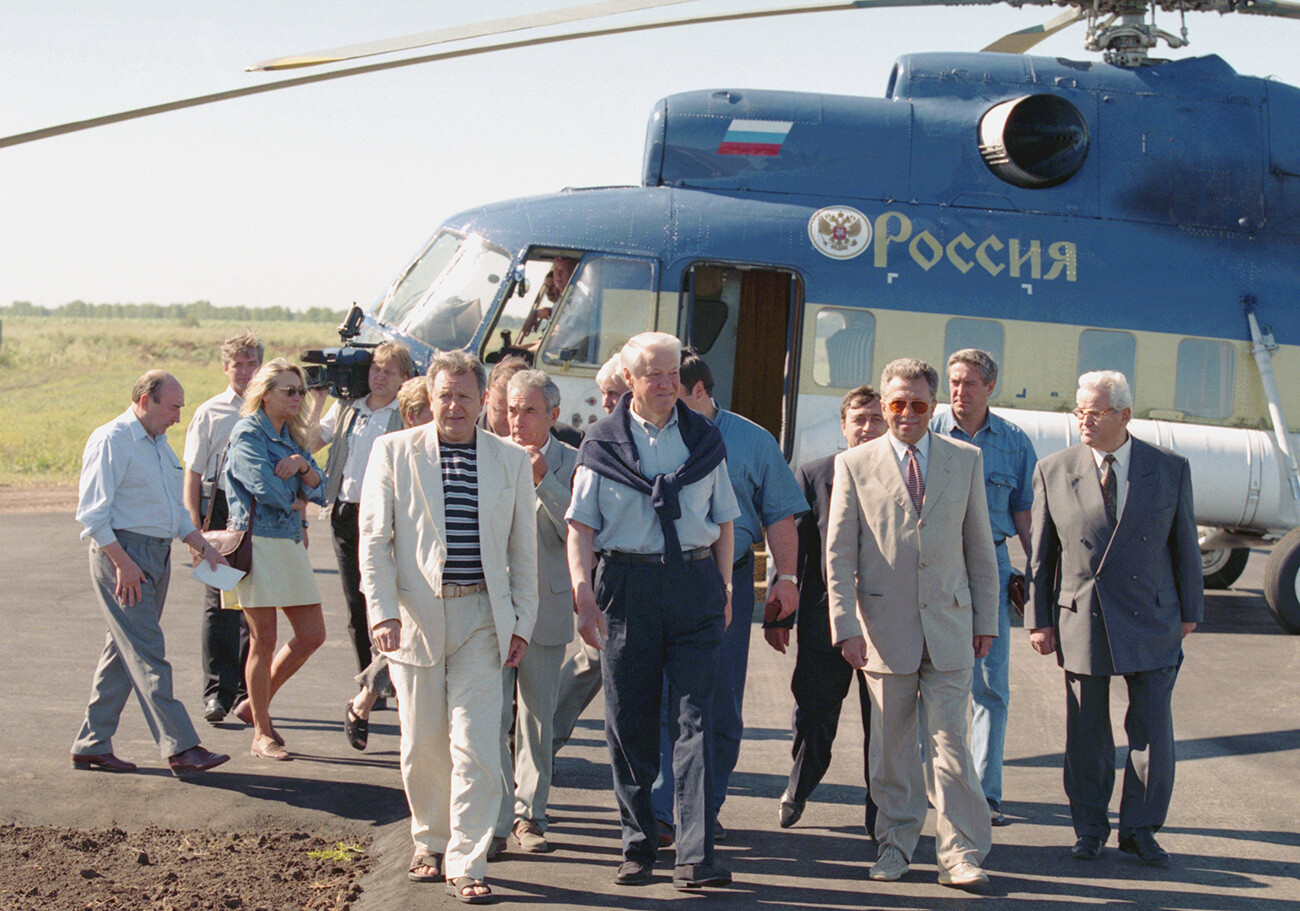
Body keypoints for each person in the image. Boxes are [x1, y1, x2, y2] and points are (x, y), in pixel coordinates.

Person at [359, 349, 538, 903]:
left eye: (465, 395)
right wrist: (383, 613)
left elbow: (523, 553)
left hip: (484, 619)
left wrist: (521, 625)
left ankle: (468, 858)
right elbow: (374, 543)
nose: (454, 405)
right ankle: (429, 841)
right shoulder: (393, 452)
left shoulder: (508, 460)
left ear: (482, 399)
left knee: (477, 744)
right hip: (416, 617)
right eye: (444, 395)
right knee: (422, 744)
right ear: (429, 399)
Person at [566, 331, 740, 890]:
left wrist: (726, 585)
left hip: (694, 584)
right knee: (630, 723)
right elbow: (581, 526)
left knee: (695, 723)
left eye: (672, 373)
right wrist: (582, 591)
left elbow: (725, 518)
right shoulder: (601, 442)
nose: (666, 383)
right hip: (626, 587)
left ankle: (695, 856)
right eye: (653, 374)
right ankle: (638, 847)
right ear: (630, 380)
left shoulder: (705, 439)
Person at [827, 357, 999, 888]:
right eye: (896, 404)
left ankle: (959, 854)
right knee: (892, 750)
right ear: (883, 404)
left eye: (919, 404)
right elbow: (838, 555)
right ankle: (895, 846)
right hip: (883, 631)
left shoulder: (964, 459)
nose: (907, 414)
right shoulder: (854, 464)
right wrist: (844, 625)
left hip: (950, 626)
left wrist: (986, 619)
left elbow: (980, 548)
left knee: (952, 748)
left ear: (933, 406)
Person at [1028, 370, 1202, 867]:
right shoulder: (1054, 469)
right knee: (1087, 734)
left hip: (1154, 616)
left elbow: (1185, 547)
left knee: (1151, 733)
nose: (1084, 420)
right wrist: (1040, 620)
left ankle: (1141, 830)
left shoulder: (1168, 468)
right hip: (1084, 615)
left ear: (1124, 415)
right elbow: (1044, 557)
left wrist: (1189, 612)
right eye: (1079, 411)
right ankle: (1088, 829)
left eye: (1095, 411)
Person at [652, 347, 805, 841]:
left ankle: (705, 803)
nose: (662, 401)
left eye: (673, 392)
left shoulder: (752, 441)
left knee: (717, 700)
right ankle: (661, 808)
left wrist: (787, 578)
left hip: (725, 582)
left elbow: (780, 512)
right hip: (656, 579)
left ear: (699, 390)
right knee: (659, 696)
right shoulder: (649, 433)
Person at [72, 370, 231, 778]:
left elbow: (174, 511)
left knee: (123, 652)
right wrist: (123, 563)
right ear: (146, 400)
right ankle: (181, 747)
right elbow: (92, 513)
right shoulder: (112, 439)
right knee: (148, 653)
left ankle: (92, 743)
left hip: (155, 556)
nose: (179, 416)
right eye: (173, 406)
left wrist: (204, 546)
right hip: (123, 556)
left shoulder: (160, 445)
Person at [772, 385, 887, 833]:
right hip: (826, 622)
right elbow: (794, 556)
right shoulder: (815, 474)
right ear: (843, 426)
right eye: (858, 419)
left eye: (876, 418)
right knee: (814, 716)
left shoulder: (907, 476)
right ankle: (797, 790)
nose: (867, 427)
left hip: (885, 624)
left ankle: (881, 815)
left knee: (882, 725)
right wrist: (782, 617)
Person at [930, 349, 1037, 827]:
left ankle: (985, 794)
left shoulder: (1014, 443)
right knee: (923, 675)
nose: (959, 391)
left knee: (990, 685)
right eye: (954, 382)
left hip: (990, 563)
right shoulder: (927, 430)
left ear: (990, 387)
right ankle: (927, 788)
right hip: (932, 559)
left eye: (969, 383)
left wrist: (1038, 572)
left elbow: (1024, 514)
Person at [224, 360, 329, 761]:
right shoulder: (248, 432)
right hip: (256, 542)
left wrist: (302, 467)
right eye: (289, 390)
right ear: (265, 393)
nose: (297, 398)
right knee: (262, 639)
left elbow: (319, 489)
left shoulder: (292, 435)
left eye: (300, 391)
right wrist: (299, 493)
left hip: (286, 541)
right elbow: (264, 488)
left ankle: (256, 703)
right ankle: (261, 732)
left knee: (312, 634)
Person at [492, 369, 578, 856]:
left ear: (553, 415)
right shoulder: (490, 455)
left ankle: (531, 815)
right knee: (491, 716)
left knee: (536, 719)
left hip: (546, 605)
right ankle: (499, 817)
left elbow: (579, 535)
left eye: (529, 411)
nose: (517, 420)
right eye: (510, 410)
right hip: (494, 607)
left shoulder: (575, 460)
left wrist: (543, 481)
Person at [307, 341, 414, 684]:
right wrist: (318, 400)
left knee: (387, 599)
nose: (380, 377)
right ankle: (368, 677)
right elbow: (311, 443)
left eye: (389, 372)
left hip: (388, 516)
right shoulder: (347, 408)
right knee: (356, 602)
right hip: (345, 511)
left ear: (404, 378)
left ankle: (393, 675)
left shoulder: (404, 413)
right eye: (375, 369)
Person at [344, 376, 432, 751]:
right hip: (396, 575)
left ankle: (361, 705)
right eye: (435, 405)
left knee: (409, 654)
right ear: (413, 416)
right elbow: (377, 530)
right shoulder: (392, 454)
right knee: (398, 653)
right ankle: (364, 705)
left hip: (433, 577)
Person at [551, 349, 629, 759]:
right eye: (603, 393)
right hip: (610, 574)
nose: (605, 403)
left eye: (613, 393)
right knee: (590, 662)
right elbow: (579, 520)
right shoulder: (601, 440)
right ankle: (538, 746)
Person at [183, 329, 262, 724]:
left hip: (261, 513)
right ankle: (218, 692)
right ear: (225, 367)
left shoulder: (270, 407)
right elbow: (193, 475)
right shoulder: (210, 411)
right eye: (238, 365)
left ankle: (252, 693)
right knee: (220, 605)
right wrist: (193, 529)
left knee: (256, 605)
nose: (245, 372)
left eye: (251, 364)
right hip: (218, 513)